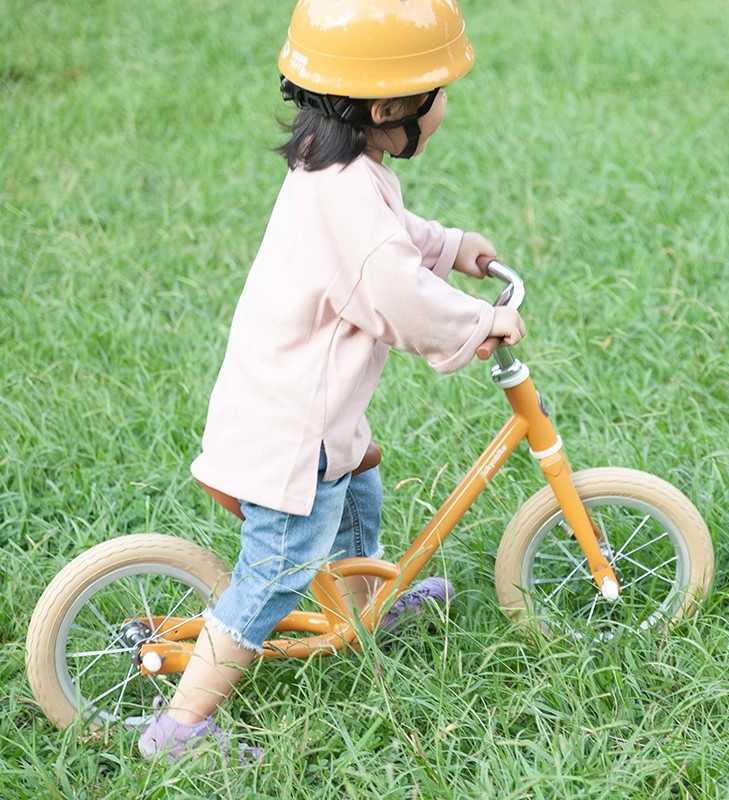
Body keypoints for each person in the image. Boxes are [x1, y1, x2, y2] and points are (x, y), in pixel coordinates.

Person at [138, 0, 524, 762]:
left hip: (292, 408)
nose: (446, 103)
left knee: (360, 496)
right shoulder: (349, 188)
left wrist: (449, 246)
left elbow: (388, 237)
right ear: (388, 107)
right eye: (438, 90)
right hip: (292, 435)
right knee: (276, 573)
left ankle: (365, 608)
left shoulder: (335, 164)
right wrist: (479, 324)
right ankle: (179, 729)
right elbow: (395, 291)